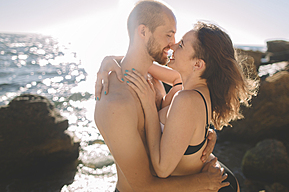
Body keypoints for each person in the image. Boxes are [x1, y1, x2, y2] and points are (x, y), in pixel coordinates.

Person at [96, 21, 259, 191]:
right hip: (219, 178)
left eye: (181, 45)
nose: (173, 45)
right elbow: (140, 62)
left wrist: (149, 107)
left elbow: (161, 168)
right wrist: (109, 60)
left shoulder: (186, 99)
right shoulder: (194, 87)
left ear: (198, 65)